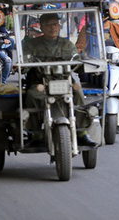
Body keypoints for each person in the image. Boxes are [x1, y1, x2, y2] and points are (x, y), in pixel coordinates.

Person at [23, 13, 97, 147]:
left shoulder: (67, 45)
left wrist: (82, 63)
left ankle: (81, 132)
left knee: (78, 92)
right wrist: (21, 66)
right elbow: (24, 64)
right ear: (41, 27)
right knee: (32, 96)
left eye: (55, 24)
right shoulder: (31, 45)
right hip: (40, 82)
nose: (52, 28)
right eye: (48, 24)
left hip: (65, 81)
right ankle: (35, 134)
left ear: (59, 26)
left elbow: (76, 60)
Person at [76, 1, 119, 92]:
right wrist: (82, 54)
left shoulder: (118, 28)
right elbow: (79, 47)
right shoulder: (86, 29)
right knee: (84, 76)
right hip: (94, 64)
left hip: (116, 63)